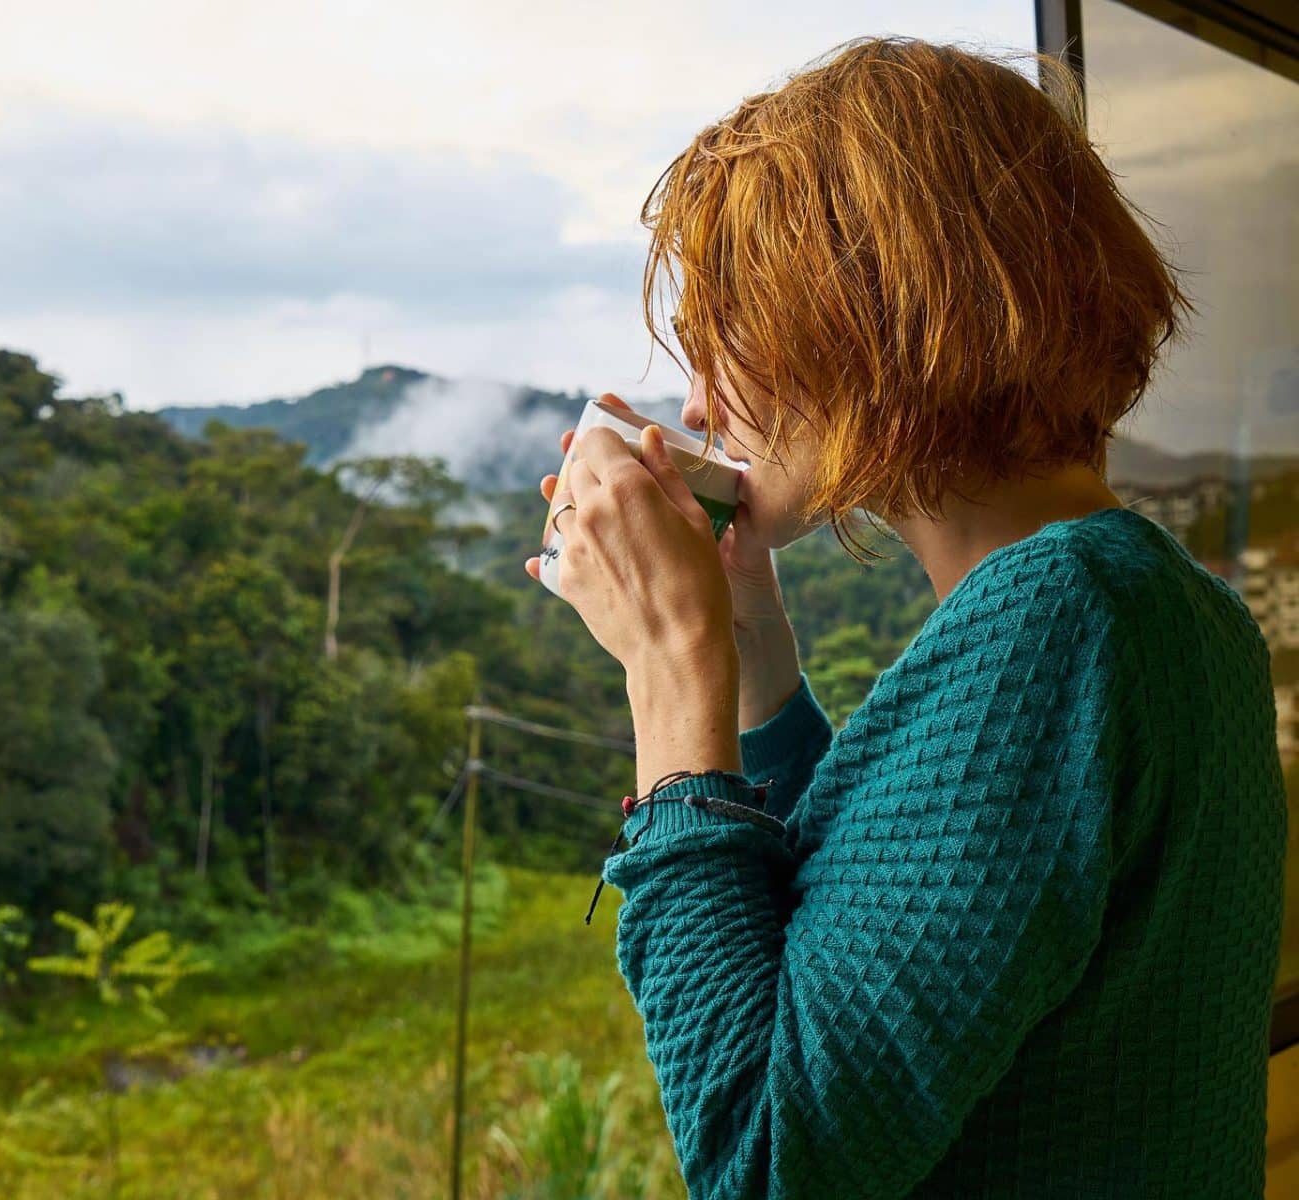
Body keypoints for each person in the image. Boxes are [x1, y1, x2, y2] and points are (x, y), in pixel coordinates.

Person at [523, 35, 1287, 1200]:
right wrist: (751, 650)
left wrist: (673, 677)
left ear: (858, 316)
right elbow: (896, 921)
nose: (697, 404)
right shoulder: (1164, 608)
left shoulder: (1060, 623)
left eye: (727, 334)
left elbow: (769, 1158)